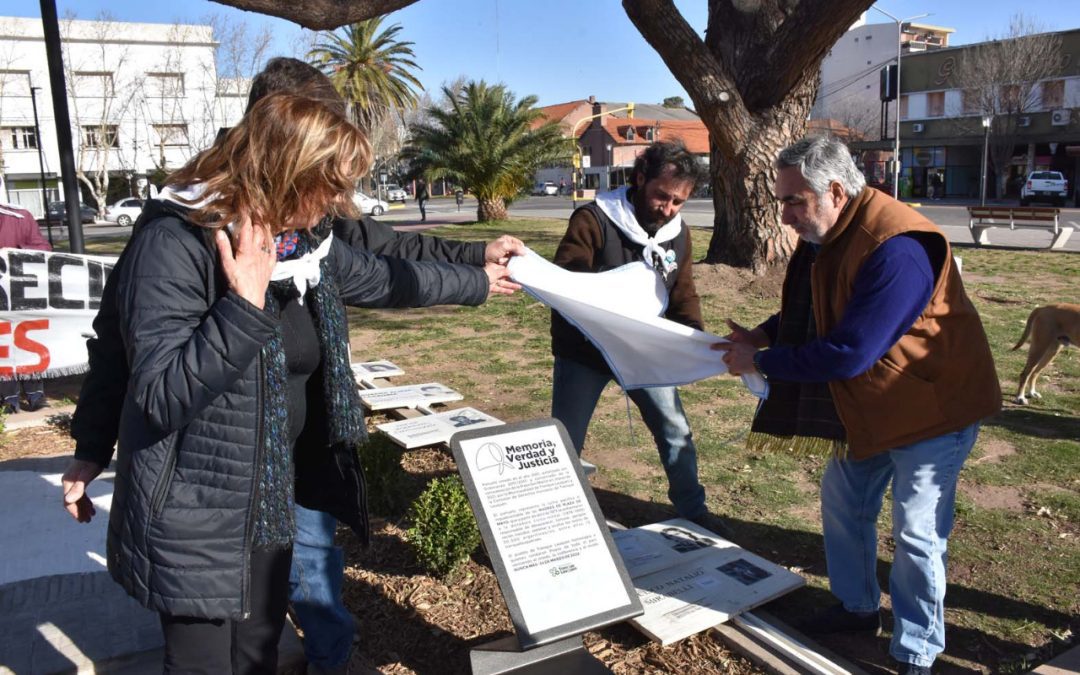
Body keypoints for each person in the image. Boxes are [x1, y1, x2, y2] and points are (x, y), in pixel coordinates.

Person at [61, 57, 523, 675]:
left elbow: (381, 273)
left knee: (259, 657)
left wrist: (477, 280)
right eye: (329, 186)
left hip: (270, 491)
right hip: (199, 506)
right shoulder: (176, 240)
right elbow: (159, 391)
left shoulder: (295, 243)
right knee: (203, 666)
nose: (341, 204)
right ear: (287, 173)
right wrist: (244, 307)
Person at [715, 136, 1001, 675]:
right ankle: (856, 607)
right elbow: (820, 311)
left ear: (837, 191)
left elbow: (849, 351)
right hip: (876, 404)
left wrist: (764, 361)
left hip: (935, 406)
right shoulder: (830, 233)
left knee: (917, 531)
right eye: (781, 201)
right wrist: (761, 334)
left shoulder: (898, 247)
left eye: (793, 201)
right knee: (844, 505)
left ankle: (916, 649)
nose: (785, 215)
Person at [549, 140, 716, 529]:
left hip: (643, 352)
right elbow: (567, 281)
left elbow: (683, 291)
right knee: (566, 437)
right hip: (584, 352)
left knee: (674, 428)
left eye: (679, 202)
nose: (668, 208)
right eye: (661, 196)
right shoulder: (593, 219)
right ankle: (562, 514)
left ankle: (694, 511)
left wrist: (693, 343)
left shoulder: (677, 232)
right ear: (640, 179)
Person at [0, 200, 52, 413]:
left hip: (22, 296)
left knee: (28, 344)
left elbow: (43, 248)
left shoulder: (20, 217)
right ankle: (8, 399)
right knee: (2, 347)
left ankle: (35, 396)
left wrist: (15, 253)